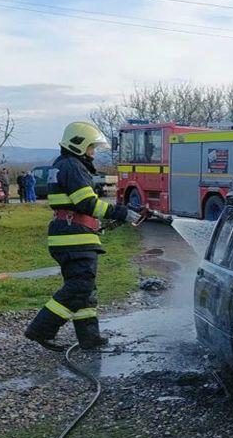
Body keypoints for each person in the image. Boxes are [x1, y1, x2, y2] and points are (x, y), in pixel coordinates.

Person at [24, 121, 145, 351]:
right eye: (91, 147)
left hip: (73, 235)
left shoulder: (64, 165)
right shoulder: (72, 166)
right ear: (78, 145)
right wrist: (123, 213)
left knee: (86, 289)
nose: (94, 152)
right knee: (80, 286)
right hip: (74, 238)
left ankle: (89, 338)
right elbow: (87, 202)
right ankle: (41, 329)